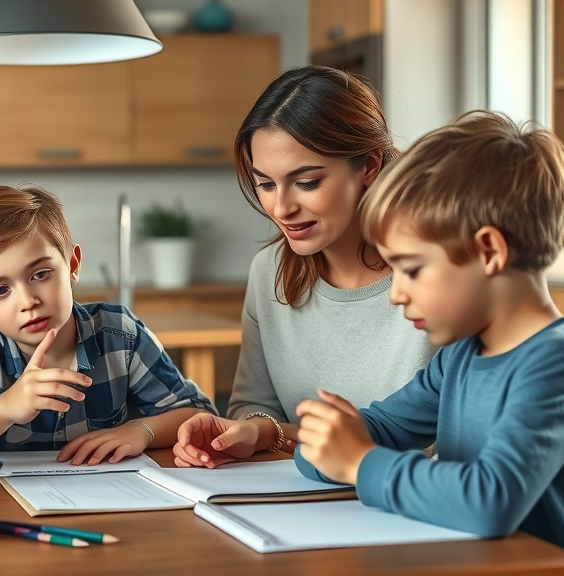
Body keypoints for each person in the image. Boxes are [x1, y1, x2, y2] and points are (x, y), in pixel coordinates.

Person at [294, 111, 564, 562]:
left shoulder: (559, 364)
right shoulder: (460, 355)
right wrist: (325, 441)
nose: (396, 293)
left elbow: (489, 501)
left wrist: (358, 461)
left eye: (412, 269)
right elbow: (381, 428)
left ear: (489, 251)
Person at [174, 66, 435, 468]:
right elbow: (256, 406)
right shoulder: (270, 271)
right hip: (306, 497)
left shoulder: (439, 274)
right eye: (266, 184)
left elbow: (457, 439)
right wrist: (254, 431)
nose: (282, 208)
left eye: (307, 182)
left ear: (368, 165)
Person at [0, 185, 215, 468]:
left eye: (40, 274)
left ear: (72, 266)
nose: (28, 301)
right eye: (1, 290)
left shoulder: (120, 336)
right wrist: (5, 408)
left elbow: (199, 415)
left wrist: (142, 430)